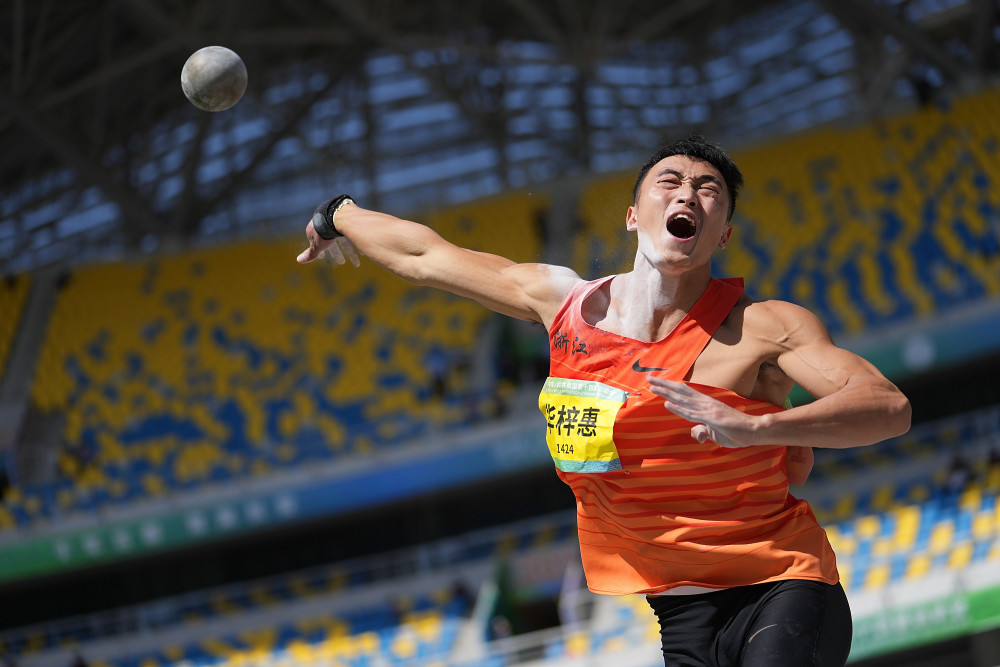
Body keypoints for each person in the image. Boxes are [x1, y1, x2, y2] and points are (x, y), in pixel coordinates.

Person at [296, 135, 912, 666]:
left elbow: (887, 406)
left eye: (709, 191)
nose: (688, 194)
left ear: (722, 235)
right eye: (669, 182)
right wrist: (338, 214)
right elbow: (427, 256)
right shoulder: (562, 303)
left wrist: (758, 428)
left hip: (782, 582)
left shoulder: (762, 327)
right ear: (631, 215)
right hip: (680, 610)